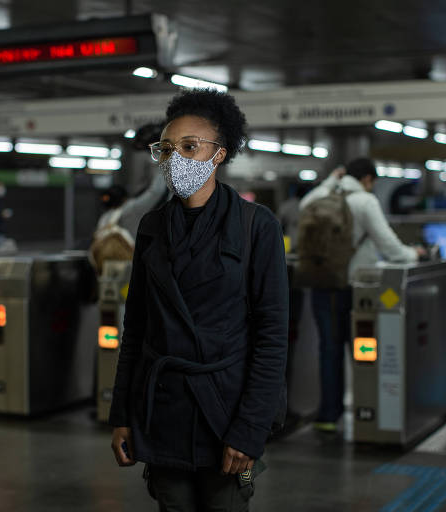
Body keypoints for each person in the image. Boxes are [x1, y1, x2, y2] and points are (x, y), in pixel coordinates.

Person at [109, 89, 289, 511]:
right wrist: (122, 414)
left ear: (219, 154)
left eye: (190, 147)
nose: (176, 159)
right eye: (167, 149)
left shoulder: (255, 226)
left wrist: (248, 431)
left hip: (225, 411)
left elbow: (272, 337)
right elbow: (135, 329)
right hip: (163, 411)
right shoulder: (152, 227)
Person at [299, 158, 424, 432]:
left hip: (323, 285)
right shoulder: (365, 202)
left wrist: (332, 179)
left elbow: (302, 207)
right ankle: (368, 408)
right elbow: (389, 245)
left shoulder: (321, 195)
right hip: (358, 288)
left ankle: (328, 415)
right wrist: (412, 255)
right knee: (364, 350)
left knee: (329, 350)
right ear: (368, 179)